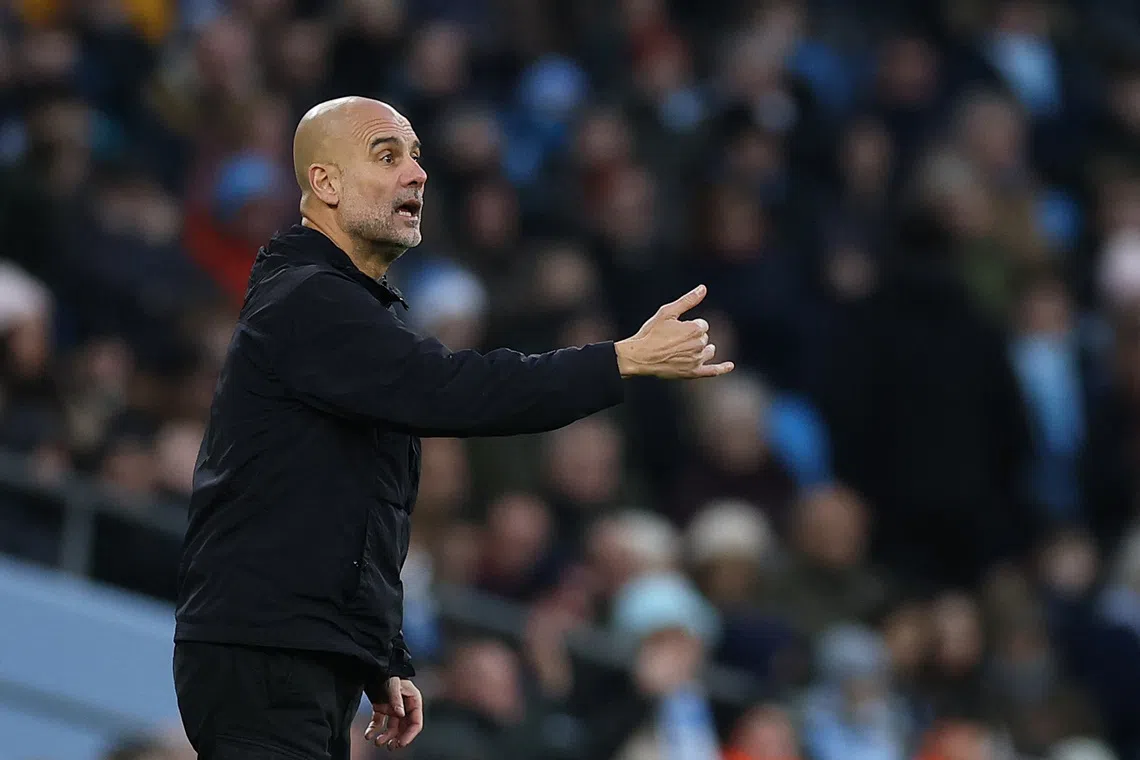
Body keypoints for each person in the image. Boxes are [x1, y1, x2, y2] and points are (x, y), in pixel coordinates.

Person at [172, 96, 733, 760]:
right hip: (266, 651)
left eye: (417, 156)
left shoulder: (341, 312)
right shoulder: (311, 300)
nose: (416, 174)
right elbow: (458, 390)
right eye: (387, 155)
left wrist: (379, 651)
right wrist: (620, 359)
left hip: (296, 649)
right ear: (324, 183)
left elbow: (351, 507)